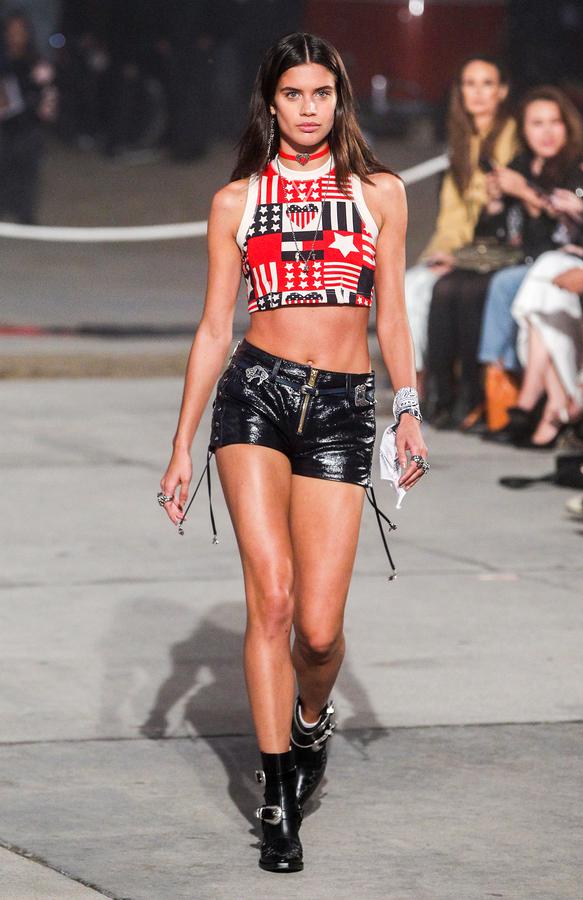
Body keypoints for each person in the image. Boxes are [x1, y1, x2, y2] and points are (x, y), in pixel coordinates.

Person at [157, 32, 429, 874]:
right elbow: (215, 328)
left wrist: (408, 409)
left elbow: (391, 315)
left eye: (321, 93)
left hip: (344, 407)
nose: (308, 109)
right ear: (269, 104)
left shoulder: (379, 193)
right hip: (255, 398)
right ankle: (277, 799)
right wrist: (180, 446)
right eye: (292, 95)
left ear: (339, 100)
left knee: (317, 632)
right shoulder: (236, 201)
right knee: (270, 600)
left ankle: (312, 720)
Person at [479, 88, 583, 447]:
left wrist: (528, 194)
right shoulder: (521, 164)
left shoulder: (577, 169)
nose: (547, 132)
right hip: (535, 265)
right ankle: (548, 406)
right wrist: (496, 203)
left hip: (567, 261)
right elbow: (498, 234)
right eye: (537, 123)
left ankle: (529, 402)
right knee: (530, 298)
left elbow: (571, 233)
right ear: (524, 129)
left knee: (530, 285)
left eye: (554, 122)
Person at [403, 55, 517, 399]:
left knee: (428, 289)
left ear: (502, 91)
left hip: (496, 249)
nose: (478, 92)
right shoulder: (462, 140)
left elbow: (495, 208)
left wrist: (457, 256)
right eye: (470, 84)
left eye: (487, 84)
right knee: (412, 284)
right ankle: (417, 382)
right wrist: (441, 253)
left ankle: (433, 387)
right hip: (461, 248)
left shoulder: (512, 136)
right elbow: (451, 217)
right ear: (460, 92)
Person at [0, 11, 56, 223]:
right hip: (3, 126)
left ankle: (25, 215)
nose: (15, 37)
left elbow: (48, 95)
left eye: (19, 32)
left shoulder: (36, 62)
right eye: (10, 32)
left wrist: (35, 106)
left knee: (27, 171)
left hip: (28, 126)